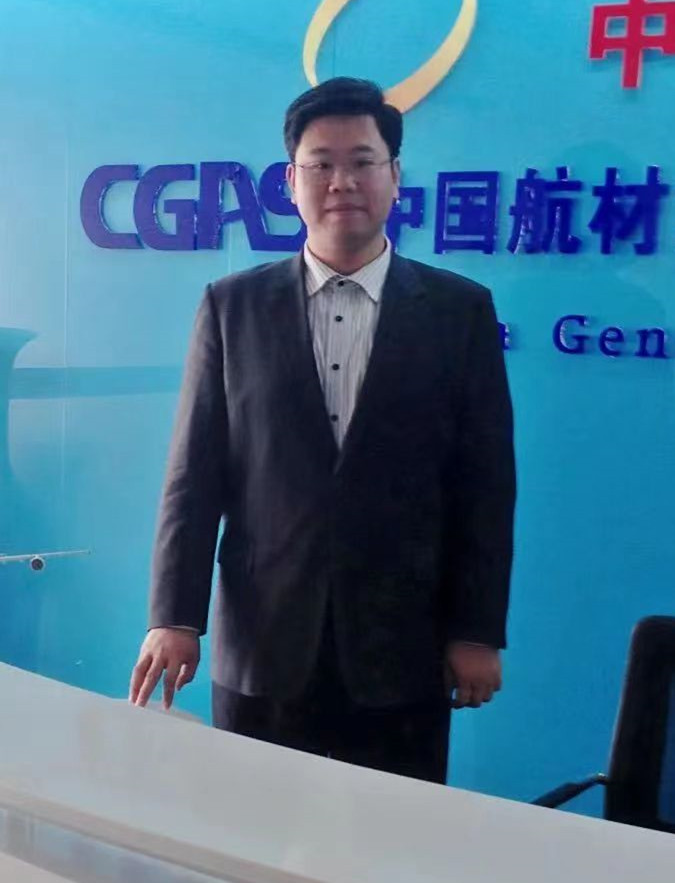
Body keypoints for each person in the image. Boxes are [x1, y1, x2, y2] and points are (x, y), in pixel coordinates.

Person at [129, 77, 516, 785]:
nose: (343, 181)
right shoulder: (231, 307)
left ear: (394, 175)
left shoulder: (458, 311)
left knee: (393, 833)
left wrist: (475, 630)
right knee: (251, 827)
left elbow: (484, 487)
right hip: (265, 641)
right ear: (290, 181)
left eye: (363, 161)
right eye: (322, 163)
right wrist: (175, 617)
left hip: (403, 646)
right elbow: (194, 476)